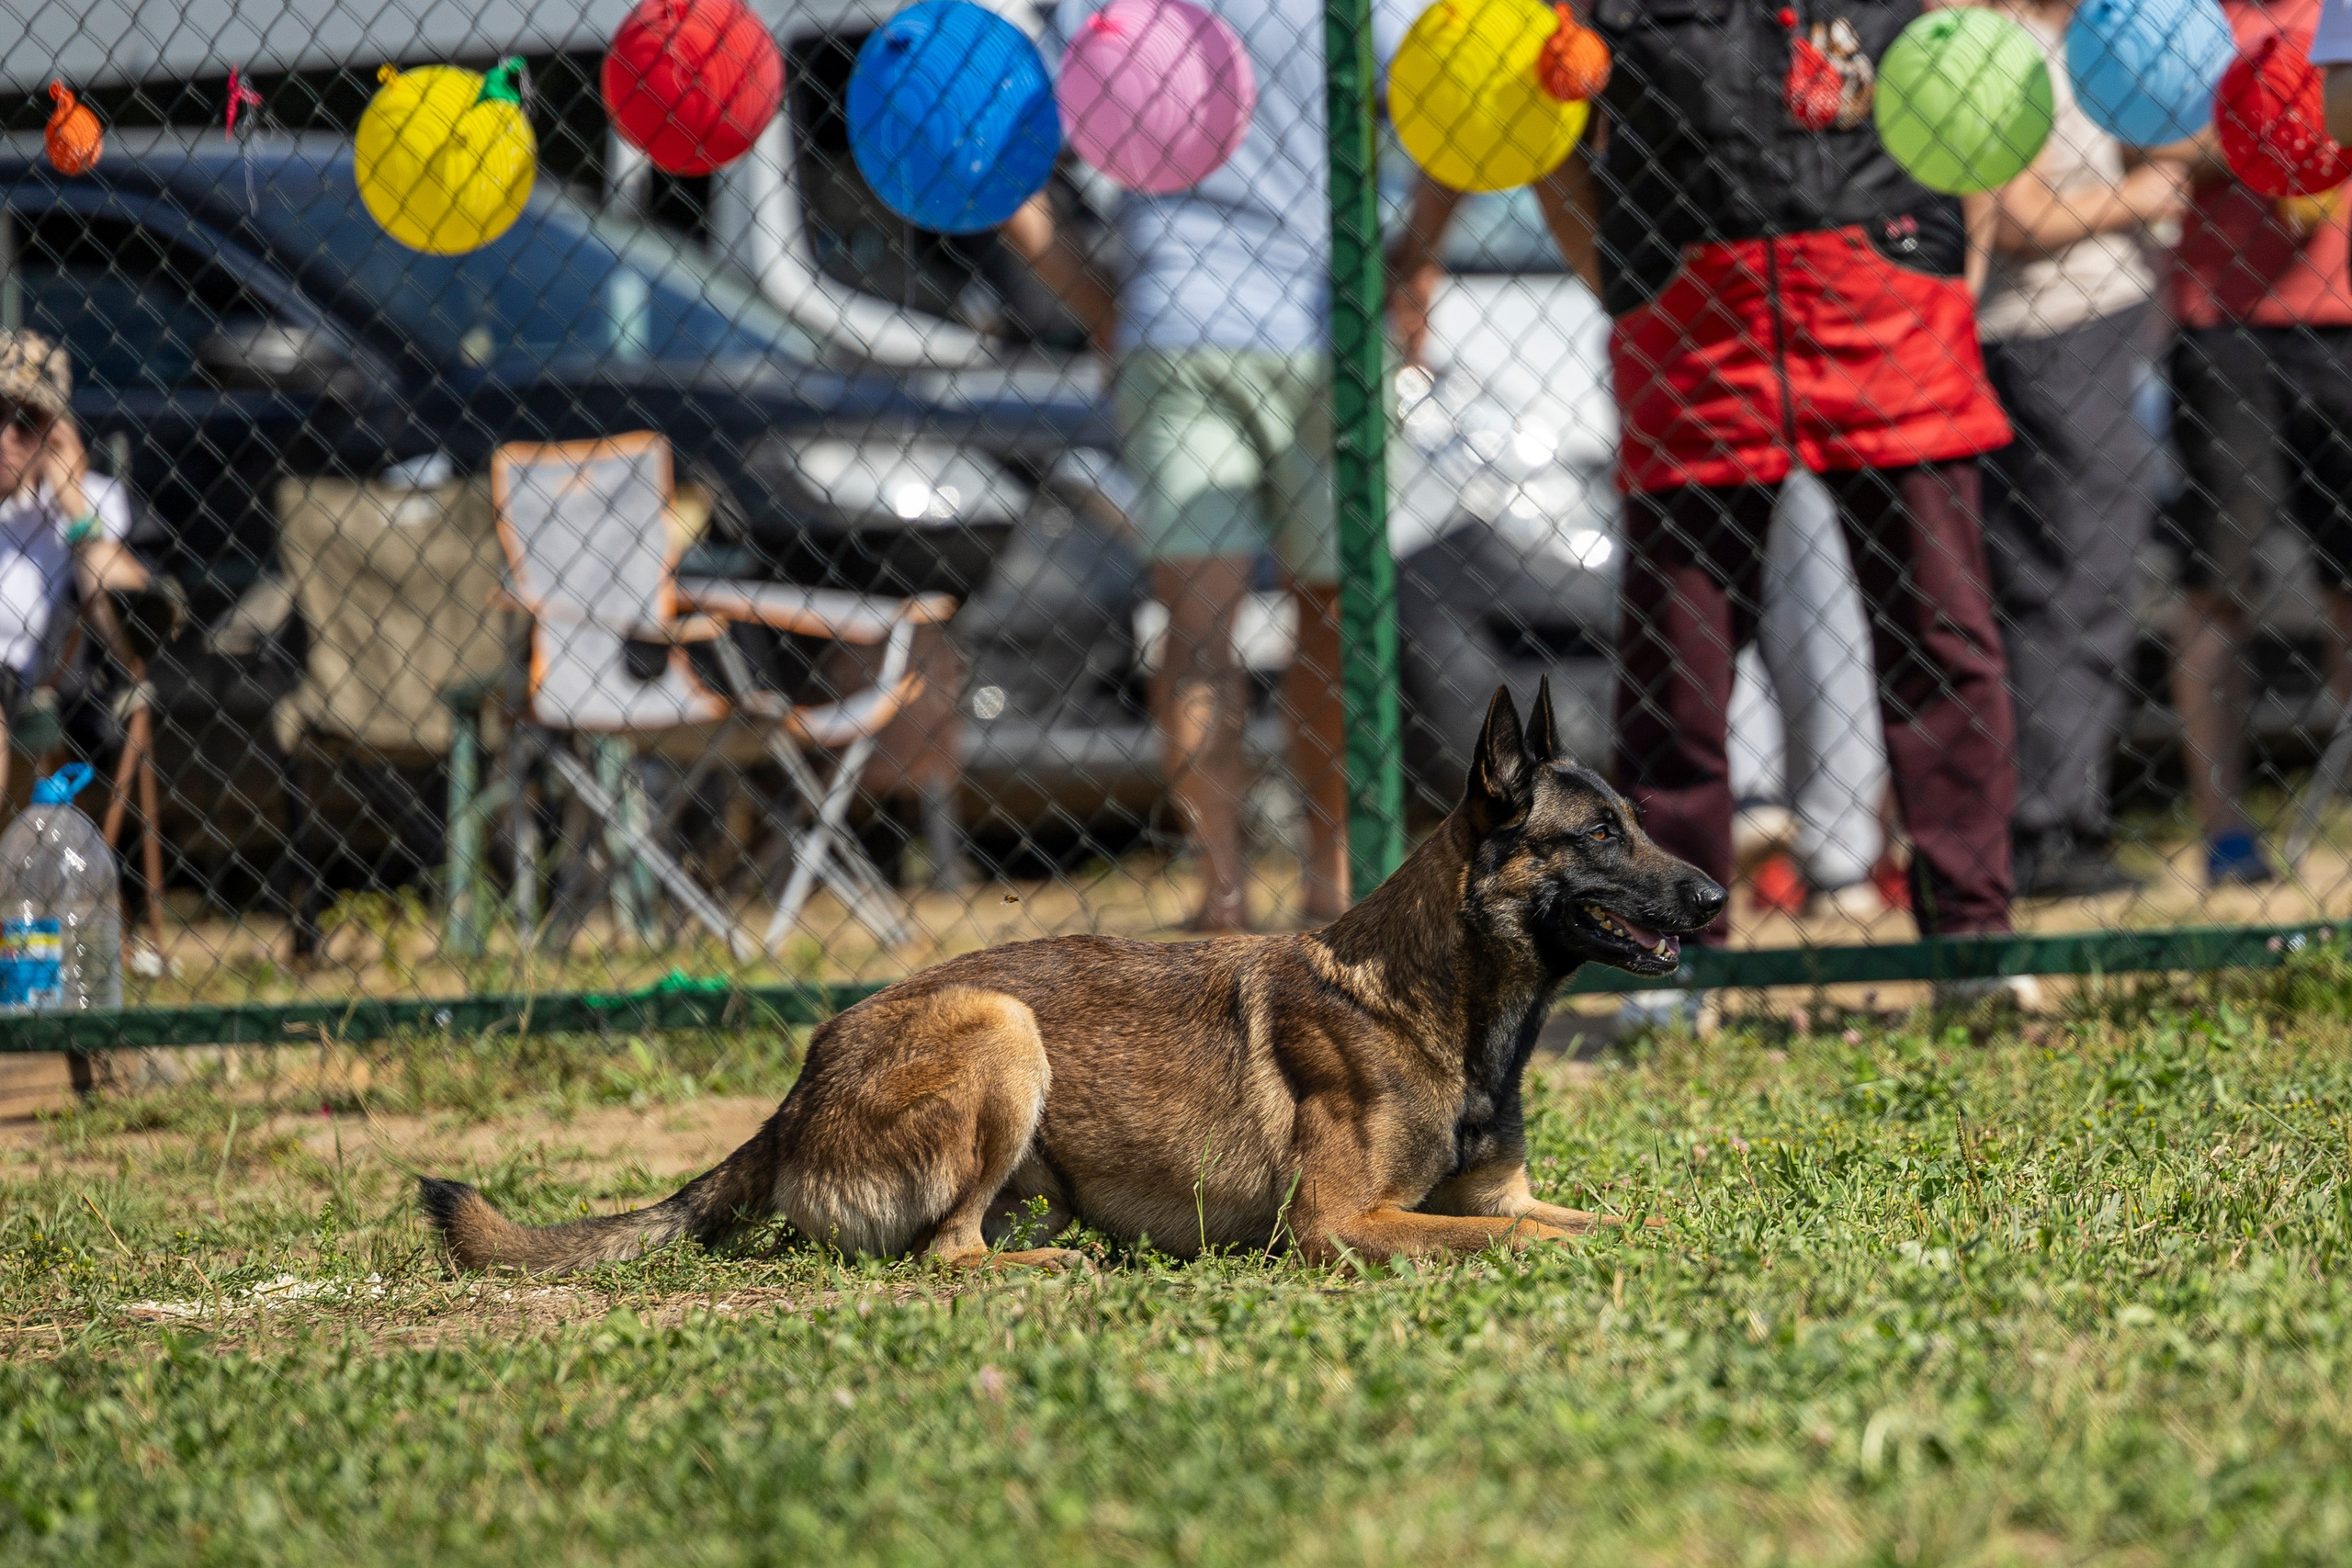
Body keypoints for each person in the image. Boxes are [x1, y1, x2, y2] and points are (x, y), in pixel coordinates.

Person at [1396, 0, 2020, 953]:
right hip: (1693, 351)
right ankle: (1675, 956)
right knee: (1673, 679)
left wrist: (1953, 271)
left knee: (1941, 641)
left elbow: (1968, 85)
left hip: (1888, 329)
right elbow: (1543, 142)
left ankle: (1975, 939)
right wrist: (1626, 286)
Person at [1007, 0, 1414, 930]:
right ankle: (1334, 880)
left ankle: (1220, 894)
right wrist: (1414, 260)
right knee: (1338, 622)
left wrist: (1099, 303)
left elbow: (987, 136)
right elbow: (1458, 110)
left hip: (1179, 323)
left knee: (1196, 631)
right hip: (1334, 323)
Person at [1977, 0, 2188, 897]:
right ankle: (2046, 827)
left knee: (2076, 578)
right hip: (2049, 331)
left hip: (2092, 328)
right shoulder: (2010, 49)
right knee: (2070, 583)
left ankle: (2062, 811)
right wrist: (2141, 197)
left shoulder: (2082, 39)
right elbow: (2017, 213)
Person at [2170, 0, 2352, 885]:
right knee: (2216, 589)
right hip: (2223, 323)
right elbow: (2148, 150)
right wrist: (2266, 137)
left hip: (2342, 318)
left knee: (2347, 586)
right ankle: (2226, 835)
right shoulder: (2192, 20)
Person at [0, 331, 155, 798]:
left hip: (33, 689)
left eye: (27, 421)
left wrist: (72, 504)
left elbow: (130, 619)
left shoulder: (98, 500)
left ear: (57, 431)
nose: (5, 437)